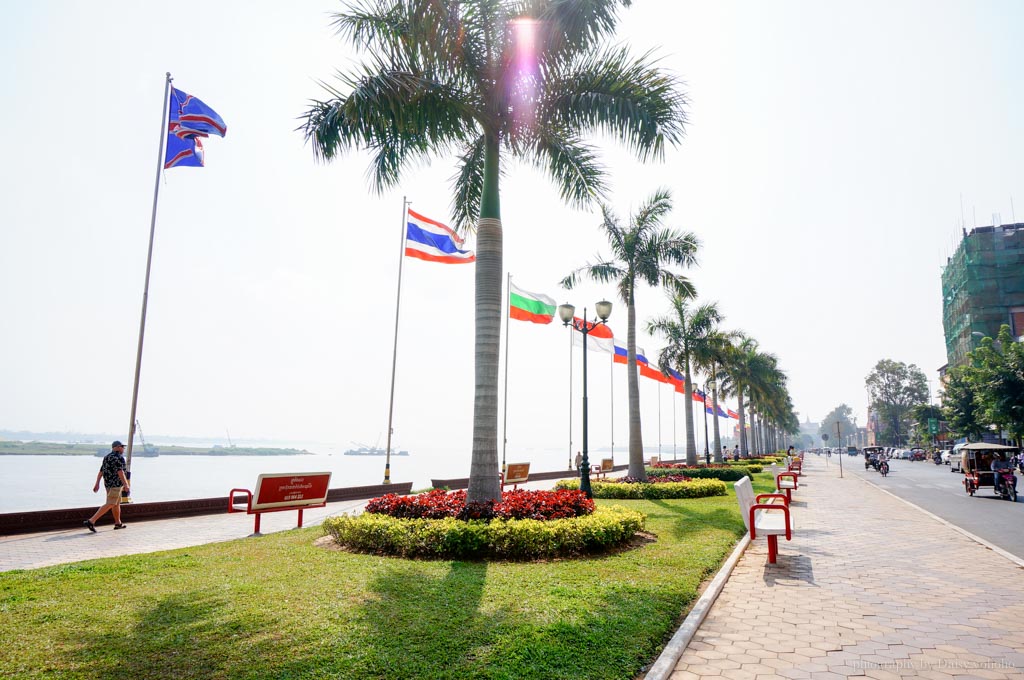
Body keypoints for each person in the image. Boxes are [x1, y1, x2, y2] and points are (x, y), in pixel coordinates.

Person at [84, 440, 131, 532]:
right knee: (111, 503)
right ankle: (91, 521)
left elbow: (101, 471)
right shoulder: (119, 457)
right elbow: (120, 472)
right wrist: (126, 484)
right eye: (122, 447)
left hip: (108, 484)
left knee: (116, 504)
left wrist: (97, 483)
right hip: (116, 484)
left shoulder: (107, 457)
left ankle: (118, 523)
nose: (123, 448)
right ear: (117, 447)